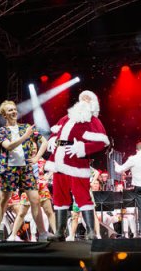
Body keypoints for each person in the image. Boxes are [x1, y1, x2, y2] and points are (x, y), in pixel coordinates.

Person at [45, 90, 110, 241]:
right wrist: (52, 140)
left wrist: (83, 149)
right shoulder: (66, 117)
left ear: (93, 104)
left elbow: (102, 141)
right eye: (82, 98)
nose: (84, 101)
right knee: (59, 197)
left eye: (88, 99)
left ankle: (91, 232)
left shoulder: (93, 120)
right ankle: (60, 232)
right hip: (58, 162)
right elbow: (55, 132)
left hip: (76, 162)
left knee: (83, 196)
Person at [0, 100, 50, 242]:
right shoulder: (1, 131)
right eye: (10, 110)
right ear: (4, 114)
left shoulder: (25, 127)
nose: (14, 112)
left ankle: (43, 233)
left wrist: (36, 158)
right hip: (8, 169)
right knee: (3, 200)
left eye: (14, 109)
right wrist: (25, 136)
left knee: (35, 199)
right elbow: (8, 146)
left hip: (26, 169)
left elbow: (44, 142)